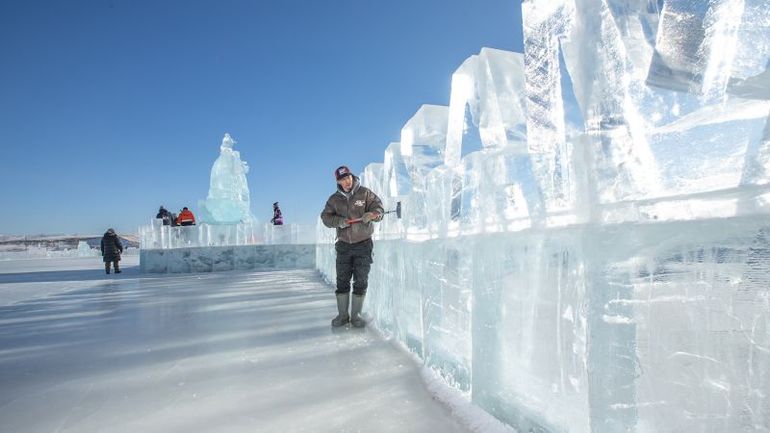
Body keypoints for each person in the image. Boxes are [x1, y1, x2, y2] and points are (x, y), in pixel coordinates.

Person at [321, 165, 384, 327]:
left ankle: (356, 316)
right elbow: (326, 217)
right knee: (342, 281)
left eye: (348, 177)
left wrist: (372, 214)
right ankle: (342, 316)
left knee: (361, 280)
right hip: (343, 246)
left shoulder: (365, 193)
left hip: (363, 244)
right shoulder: (334, 200)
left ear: (352, 176)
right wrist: (339, 221)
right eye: (342, 179)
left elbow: (379, 208)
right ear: (338, 182)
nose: (346, 182)